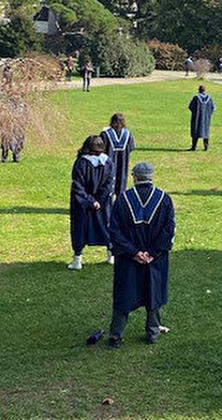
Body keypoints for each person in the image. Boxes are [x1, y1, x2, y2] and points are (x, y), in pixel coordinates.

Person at [106, 162, 175, 347]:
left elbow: (115, 230)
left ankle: (115, 335)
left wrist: (134, 252)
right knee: (153, 293)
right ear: (151, 177)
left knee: (124, 295)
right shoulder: (164, 199)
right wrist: (152, 253)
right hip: (155, 259)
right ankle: (152, 332)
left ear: (134, 177)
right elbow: (169, 229)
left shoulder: (122, 199)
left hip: (128, 259)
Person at [68, 136, 116, 270]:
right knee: (106, 225)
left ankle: (77, 259)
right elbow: (109, 184)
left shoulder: (81, 163)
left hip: (82, 204)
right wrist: (99, 200)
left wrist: (91, 201)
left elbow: (77, 185)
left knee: (79, 228)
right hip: (103, 203)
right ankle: (111, 255)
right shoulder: (108, 162)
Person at [101, 113, 136, 196]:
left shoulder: (105, 134)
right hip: (123, 162)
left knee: (108, 180)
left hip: (108, 162)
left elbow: (101, 148)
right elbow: (131, 147)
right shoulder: (128, 134)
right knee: (121, 179)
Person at [188, 85, 215, 151]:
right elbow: (213, 107)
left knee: (195, 130)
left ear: (199, 90)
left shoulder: (196, 97)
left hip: (197, 118)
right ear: (204, 90)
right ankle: (206, 147)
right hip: (206, 118)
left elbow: (191, 107)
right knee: (205, 131)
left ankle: (194, 147)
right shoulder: (209, 98)